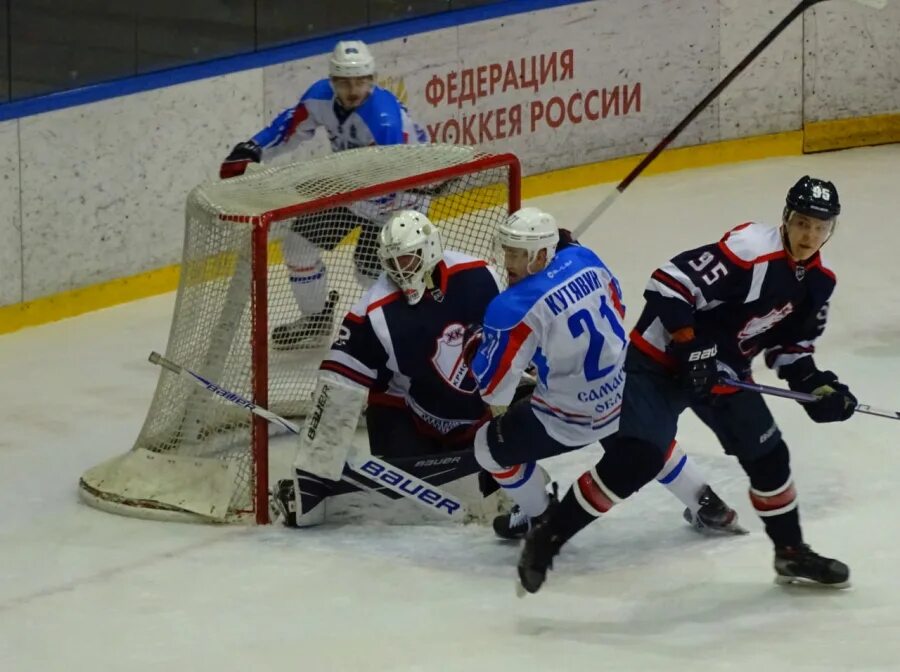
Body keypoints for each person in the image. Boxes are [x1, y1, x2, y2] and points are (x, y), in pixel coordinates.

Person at [517, 176, 856, 593]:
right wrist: (690, 345)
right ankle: (548, 537)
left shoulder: (819, 284)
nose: (809, 235)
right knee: (638, 458)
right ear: (786, 218)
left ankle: (790, 554)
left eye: (820, 227)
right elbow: (668, 283)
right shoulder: (750, 250)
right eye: (802, 222)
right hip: (660, 359)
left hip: (723, 371)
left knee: (770, 458)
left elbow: (790, 351)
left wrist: (820, 388)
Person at [468, 207, 744, 540]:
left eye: (518, 253)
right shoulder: (586, 258)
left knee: (486, 447)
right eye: (507, 251)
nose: (508, 263)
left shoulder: (508, 307)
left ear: (542, 254)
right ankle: (708, 505)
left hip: (569, 418)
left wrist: (478, 350)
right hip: (625, 388)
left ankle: (540, 516)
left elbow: (493, 392)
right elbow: (619, 305)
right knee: (642, 437)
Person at [270, 209, 504, 526]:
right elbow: (337, 386)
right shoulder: (373, 311)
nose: (399, 271)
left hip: (472, 418)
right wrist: (315, 470)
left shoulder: (480, 277)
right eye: (391, 263)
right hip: (407, 417)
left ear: (430, 250)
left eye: (406, 260)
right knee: (405, 512)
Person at [220, 40, 429, 349]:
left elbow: (392, 180)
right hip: (352, 188)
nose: (353, 89)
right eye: (344, 82)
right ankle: (316, 319)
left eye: (361, 81)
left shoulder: (383, 121)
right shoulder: (319, 98)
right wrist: (254, 148)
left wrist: (334, 190)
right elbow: (288, 128)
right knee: (298, 245)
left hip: (400, 199)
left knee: (370, 273)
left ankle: (399, 333)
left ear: (372, 80)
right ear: (333, 82)